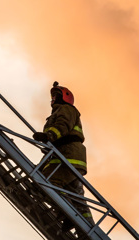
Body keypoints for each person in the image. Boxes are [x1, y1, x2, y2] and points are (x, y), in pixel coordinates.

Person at [33, 81, 94, 232]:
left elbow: (62, 126)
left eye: (56, 96)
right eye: (52, 97)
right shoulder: (60, 111)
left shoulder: (66, 109)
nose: (52, 99)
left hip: (67, 156)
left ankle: (67, 215)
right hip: (69, 156)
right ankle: (87, 231)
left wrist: (48, 135)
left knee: (48, 182)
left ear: (65, 98)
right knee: (77, 199)